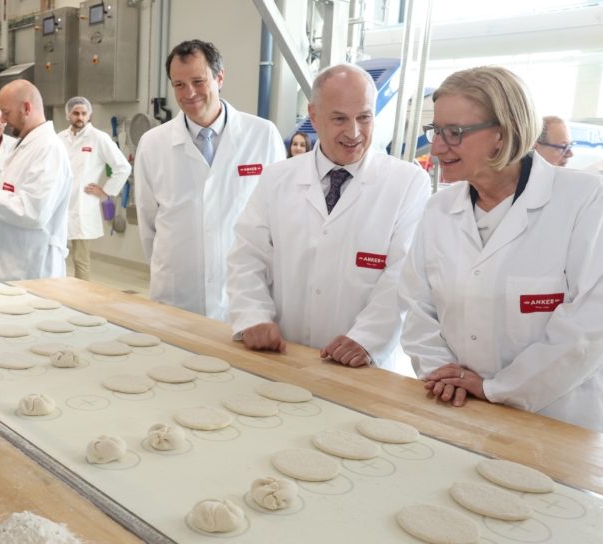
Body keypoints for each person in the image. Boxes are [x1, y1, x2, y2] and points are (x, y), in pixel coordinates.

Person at [400, 66, 603, 432]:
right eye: (435, 130)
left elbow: (590, 327)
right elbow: (418, 307)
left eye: (454, 132)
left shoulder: (584, 202)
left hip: (553, 421)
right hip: (456, 411)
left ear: (503, 133)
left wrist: (497, 389)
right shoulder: (439, 209)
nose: (438, 145)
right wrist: (442, 374)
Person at [227, 64, 431, 372]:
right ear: (313, 115)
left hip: (364, 366)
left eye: (364, 117)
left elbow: (404, 275)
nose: (354, 132)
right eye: (339, 119)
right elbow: (247, 256)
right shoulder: (277, 178)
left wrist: (366, 339)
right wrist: (253, 315)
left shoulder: (408, 183)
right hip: (284, 354)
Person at [135, 40, 286, 321]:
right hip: (176, 294)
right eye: (179, 84)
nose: (189, 93)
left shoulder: (262, 135)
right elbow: (148, 225)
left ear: (219, 77)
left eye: (198, 81)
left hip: (244, 296)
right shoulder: (153, 143)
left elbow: (279, 218)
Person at [0, 80, 72, 281]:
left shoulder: (48, 149)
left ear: (27, 108)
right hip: (10, 263)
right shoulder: (25, 145)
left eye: (6, 112)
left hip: (30, 267)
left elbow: (34, 211)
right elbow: (13, 194)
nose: (3, 120)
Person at [57, 96, 131, 280]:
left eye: (83, 113)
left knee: (81, 260)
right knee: (54, 257)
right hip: (58, 205)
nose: (80, 117)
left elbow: (123, 167)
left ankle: (82, 303)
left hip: (82, 206)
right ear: (68, 115)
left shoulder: (99, 138)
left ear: (89, 115)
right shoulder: (59, 138)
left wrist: (106, 191)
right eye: (75, 113)